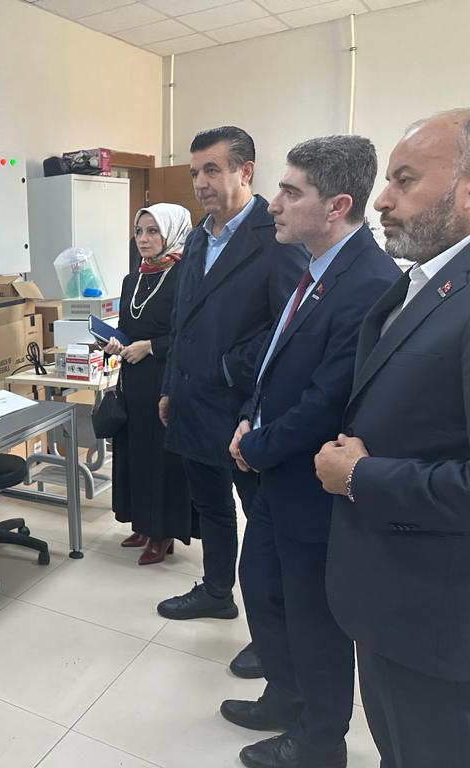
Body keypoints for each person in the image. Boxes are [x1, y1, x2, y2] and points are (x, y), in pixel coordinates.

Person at [223, 136, 400, 768]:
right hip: (278, 473)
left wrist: (257, 446)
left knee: (313, 618)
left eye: (290, 192)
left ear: (336, 205)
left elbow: (327, 400)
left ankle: (320, 741)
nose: (273, 203)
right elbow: (276, 363)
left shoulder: (370, 283)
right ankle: (284, 695)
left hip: (313, 484)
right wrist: (249, 416)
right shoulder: (315, 269)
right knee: (263, 589)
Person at [315, 109, 470, 768]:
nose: (381, 199)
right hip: (396, 606)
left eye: (405, 180)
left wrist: (360, 477)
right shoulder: (425, 281)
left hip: (439, 627)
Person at [156, 126, 307, 681]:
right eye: (195, 172)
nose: (200, 182)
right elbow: (181, 320)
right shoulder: (199, 238)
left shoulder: (278, 236)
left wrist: (226, 368)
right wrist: (170, 384)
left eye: (212, 170)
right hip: (192, 401)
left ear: (246, 172)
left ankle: (272, 637)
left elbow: (287, 328)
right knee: (211, 507)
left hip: (245, 408)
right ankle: (217, 590)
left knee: (263, 525)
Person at [104, 204, 193, 565]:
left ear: (171, 233)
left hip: (165, 380)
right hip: (133, 379)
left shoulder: (185, 275)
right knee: (135, 453)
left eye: (153, 231)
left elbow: (190, 335)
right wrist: (114, 342)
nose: (143, 239)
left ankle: (162, 532)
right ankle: (141, 523)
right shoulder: (133, 279)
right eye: (139, 231)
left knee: (161, 457)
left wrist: (151, 347)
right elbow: (128, 327)